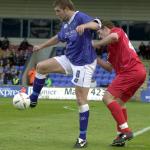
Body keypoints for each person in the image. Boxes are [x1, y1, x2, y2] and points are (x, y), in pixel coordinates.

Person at [29, 0, 101, 148]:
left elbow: (97, 24)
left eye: (57, 11)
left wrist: (85, 25)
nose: (56, 14)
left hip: (84, 62)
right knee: (41, 67)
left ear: (66, 9)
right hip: (70, 58)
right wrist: (41, 46)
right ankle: (33, 98)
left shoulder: (80, 16)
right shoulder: (66, 24)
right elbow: (58, 38)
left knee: (81, 100)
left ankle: (82, 139)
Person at [92, 20, 146, 146]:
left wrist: (96, 45)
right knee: (119, 103)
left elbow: (113, 36)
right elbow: (109, 67)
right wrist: (94, 58)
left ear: (106, 28)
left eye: (100, 33)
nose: (99, 36)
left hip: (130, 71)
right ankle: (120, 137)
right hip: (138, 72)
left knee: (107, 98)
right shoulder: (111, 47)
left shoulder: (117, 31)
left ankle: (126, 130)